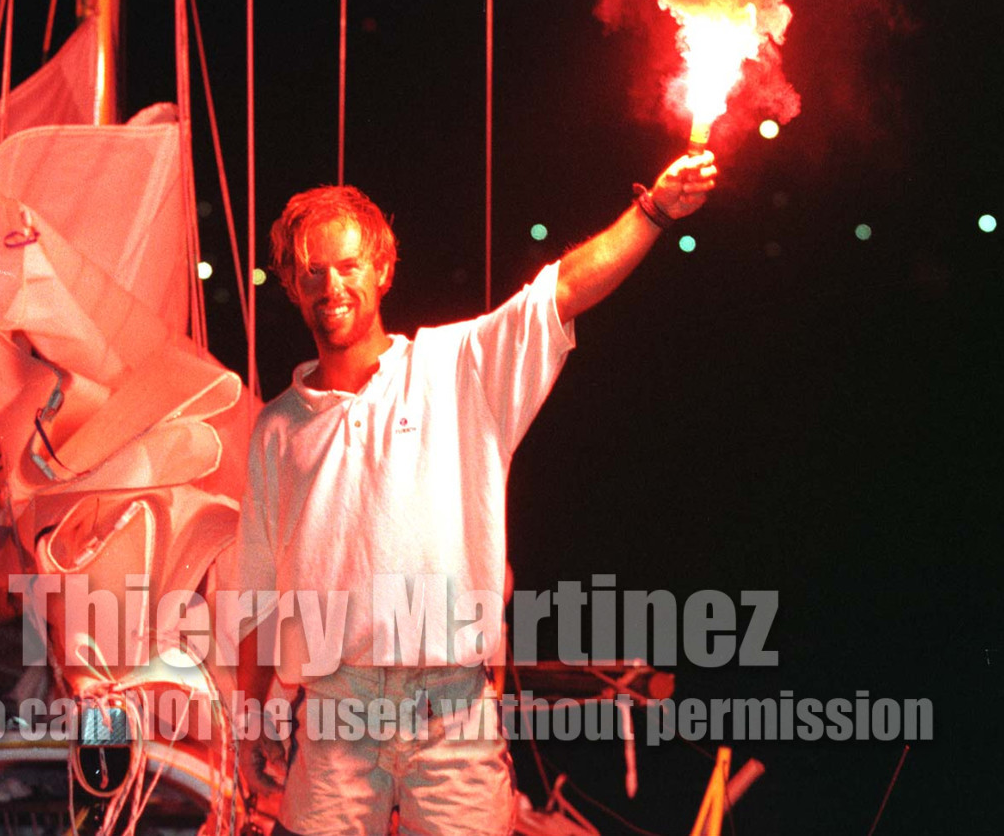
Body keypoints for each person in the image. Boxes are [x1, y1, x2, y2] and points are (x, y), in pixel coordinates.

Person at [233, 150, 718, 836]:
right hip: (335, 720)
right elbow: (254, 590)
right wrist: (248, 721)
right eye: (311, 271)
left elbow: (561, 291)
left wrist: (653, 211)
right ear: (290, 283)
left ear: (382, 269)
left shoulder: (455, 368)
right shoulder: (276, 428)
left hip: (452, 714)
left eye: (347, 266)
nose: (331, 285)